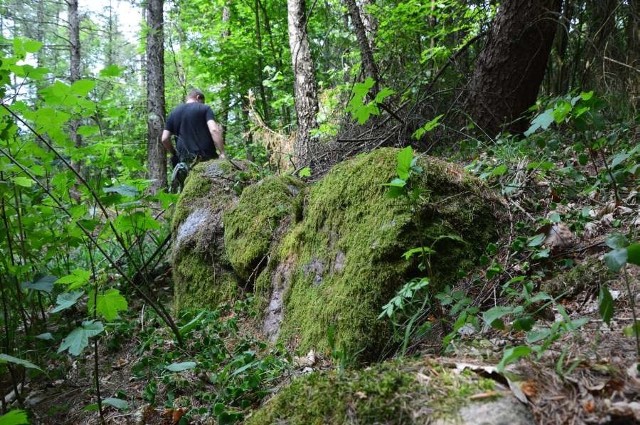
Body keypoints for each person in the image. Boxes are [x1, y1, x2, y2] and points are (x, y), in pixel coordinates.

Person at [161, 89, 226, 192]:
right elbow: (214, 130)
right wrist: (222, 153)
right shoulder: (204, 108)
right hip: (206, 159)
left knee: (187, 192)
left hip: (184, 162)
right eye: (202, 101)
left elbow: (164, 138)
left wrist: (174, 153)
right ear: (198, 98)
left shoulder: (173, 113)